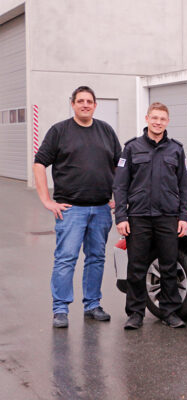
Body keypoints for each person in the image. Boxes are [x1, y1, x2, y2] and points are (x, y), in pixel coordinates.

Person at [33, 86, 121, 328]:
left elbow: (119, 166)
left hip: (101, 209)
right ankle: (60, 309)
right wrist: (46, 200)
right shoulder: (60, 131)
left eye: (89, 101)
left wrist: (118, 196)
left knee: (96, 258)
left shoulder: (106, 131)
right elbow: (39, 163)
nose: (85, 104)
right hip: (71, 210)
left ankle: (92, 304)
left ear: (95, 105)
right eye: (80, 101)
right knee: (65, 259)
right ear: (72, 104)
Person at [113, 102, 187, 330]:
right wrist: (121, 217)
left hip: (168, 217)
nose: (158, 122)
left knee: (169, 266)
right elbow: (120, 186)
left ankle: (170, 312)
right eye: (154, 118)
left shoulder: (176, 150)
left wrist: (183, 217)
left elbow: (184, 187)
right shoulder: (131, 148)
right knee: (136, 267)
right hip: (138, 217)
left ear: (167, 122)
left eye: (162, 119)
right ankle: (135, 314)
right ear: (147, 118)